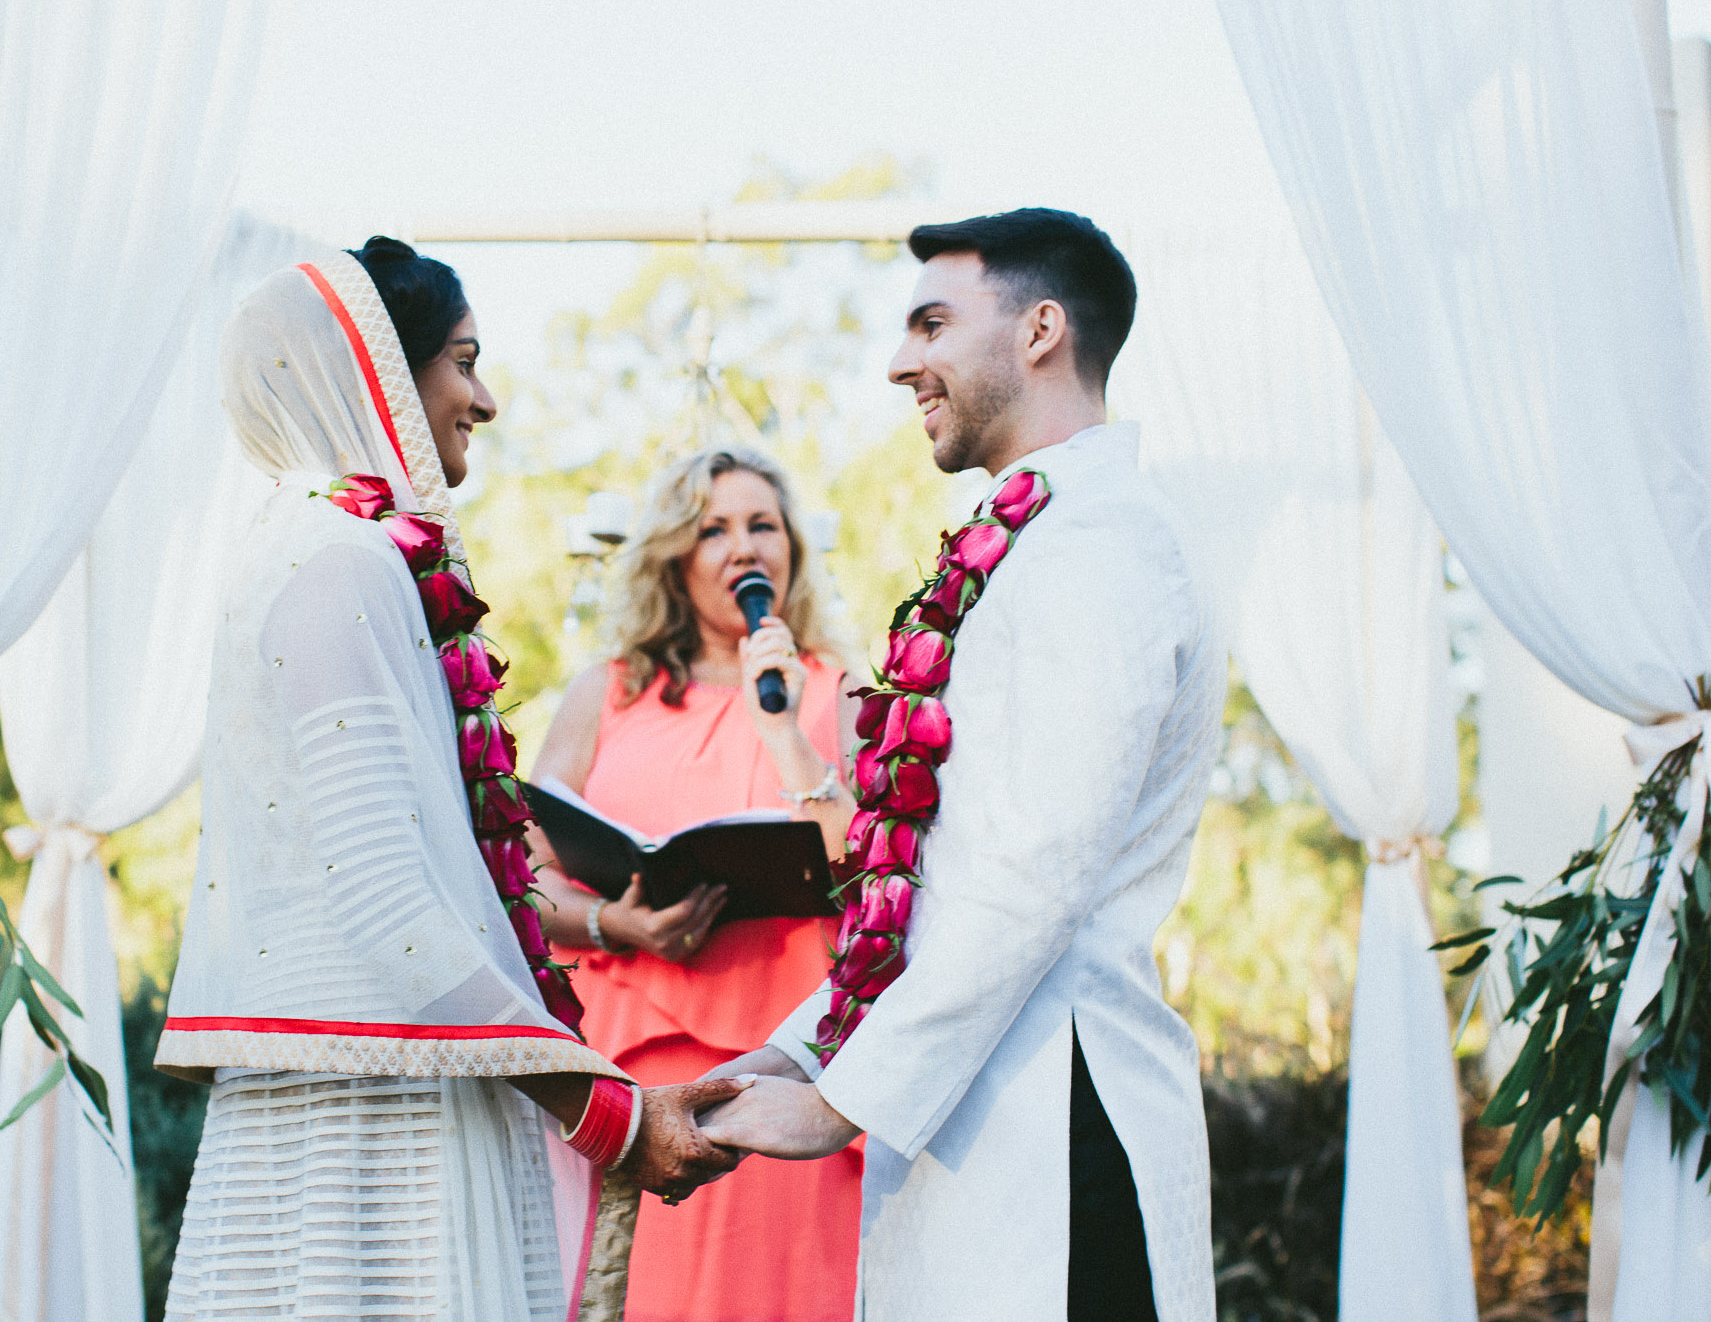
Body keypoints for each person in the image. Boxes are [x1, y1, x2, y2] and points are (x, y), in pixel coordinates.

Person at [154, 240, 742, 1321]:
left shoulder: (299, 549)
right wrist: (607, 1114)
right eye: (462, 362)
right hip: (374, 1134)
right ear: (376, 366)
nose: (486, 398)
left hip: (352, 1093)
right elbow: (384, 904)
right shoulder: (342, 561)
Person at [699, 210, 1227, 1322]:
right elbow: (935, 877)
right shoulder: (1035, 538)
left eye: (931, 324)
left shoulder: (1104, 543)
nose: (899, 364)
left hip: (1061, 1129)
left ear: (1040, 330)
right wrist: (793, 1057)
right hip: (988, 1122)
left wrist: (840, 1103)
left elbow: (1035, 869)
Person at [525, 446, 863, 1322]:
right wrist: (612, 923)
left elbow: (873, 867)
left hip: (784, 1079)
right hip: (626, 1076)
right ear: (674, 556)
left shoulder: (840, 690)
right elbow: (518, 864)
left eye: (762, 524)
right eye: (713, 529)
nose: (743, 546)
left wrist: (784, 730)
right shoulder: (607, 691)